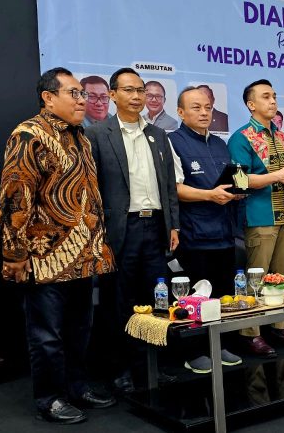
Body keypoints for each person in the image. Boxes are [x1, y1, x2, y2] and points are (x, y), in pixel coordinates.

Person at [0, 67, 116, 424]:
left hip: (84, 257)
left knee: (80, 330)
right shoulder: (28, 135)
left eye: (83, 94)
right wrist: (14, 254)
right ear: (48, 98)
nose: (82, 100)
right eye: (74, 93)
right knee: (47, 336)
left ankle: (77, 388)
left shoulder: (82, 138)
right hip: (44, 257)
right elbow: (15, 197)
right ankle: (50, 399)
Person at [85, 68, 180, 393]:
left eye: (140, 90)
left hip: (155, 227)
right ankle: (121, 369)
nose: (137, 96)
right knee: (118, 301)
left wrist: (174, 224)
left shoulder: (158, 135)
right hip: (120, 229)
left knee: (156, 298)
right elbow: (91, 190)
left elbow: (169, 185)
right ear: (113, 95)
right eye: (129, 90)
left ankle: (152, 365)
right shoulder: (97, 134)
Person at [227, 79, 284, 358]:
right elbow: (240, 180)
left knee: (283, 275)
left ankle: (278, 325)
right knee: (257, 276)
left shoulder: (282, 136)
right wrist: (278, 176)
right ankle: (250, 332)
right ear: (251, 104)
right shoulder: (241, 137)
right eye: (265, 96)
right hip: (260, 215)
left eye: (274, 96)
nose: (273, 101)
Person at [166, 86, 243, 373]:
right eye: (196, 107)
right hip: (194, 234)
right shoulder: (172, 142)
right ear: (180, 112)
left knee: (222, 295)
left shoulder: (220, 144)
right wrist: (210, 195)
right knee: (195, 298)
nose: (204, 113)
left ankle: (219, 345)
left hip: (223, 232)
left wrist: (236, 192)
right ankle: (194, 350)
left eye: (208, 107)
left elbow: (229, 182)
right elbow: (174, 189)